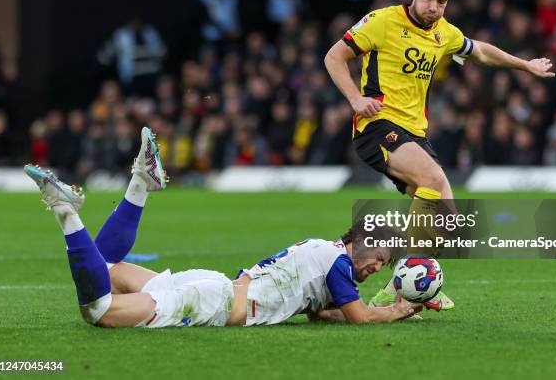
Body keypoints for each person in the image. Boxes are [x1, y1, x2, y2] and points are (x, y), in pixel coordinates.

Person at [324, 0, 555, 309]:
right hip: (377, 125)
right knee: (433, 177)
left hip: (414, 133)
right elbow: (334, 56)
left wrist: (525, 65)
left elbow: (481, 52)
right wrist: (356, 99)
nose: (434, 7)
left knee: (445, 215)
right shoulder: (382, 21)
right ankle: (404, 284)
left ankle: (412, 284)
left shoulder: (443, 32)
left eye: (442, 1)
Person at [24, 127, 419, 328]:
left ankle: (141, 183)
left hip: (214, 287)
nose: (376, 268)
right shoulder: (339, 266)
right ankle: (65, 210)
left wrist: (360, 307)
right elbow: (360, 318)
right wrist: (400, 309)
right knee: (99, 311)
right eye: (379, 258)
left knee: (106, 264)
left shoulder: (323, 252)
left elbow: (323, 313)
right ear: (362, 242)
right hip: (211, 303)